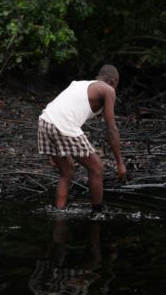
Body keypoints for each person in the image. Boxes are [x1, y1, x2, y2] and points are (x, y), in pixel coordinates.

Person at [37, 64, 126, 212]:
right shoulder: (108, 89)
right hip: (62, 124)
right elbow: (112, 129)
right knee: (97, 168)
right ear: (114, 80)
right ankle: (97, 214)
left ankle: (58, 213)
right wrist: (120, 164)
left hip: (44, 122)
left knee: (66, 173)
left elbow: (61, 110)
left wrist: (52, 150)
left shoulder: (79, 84)